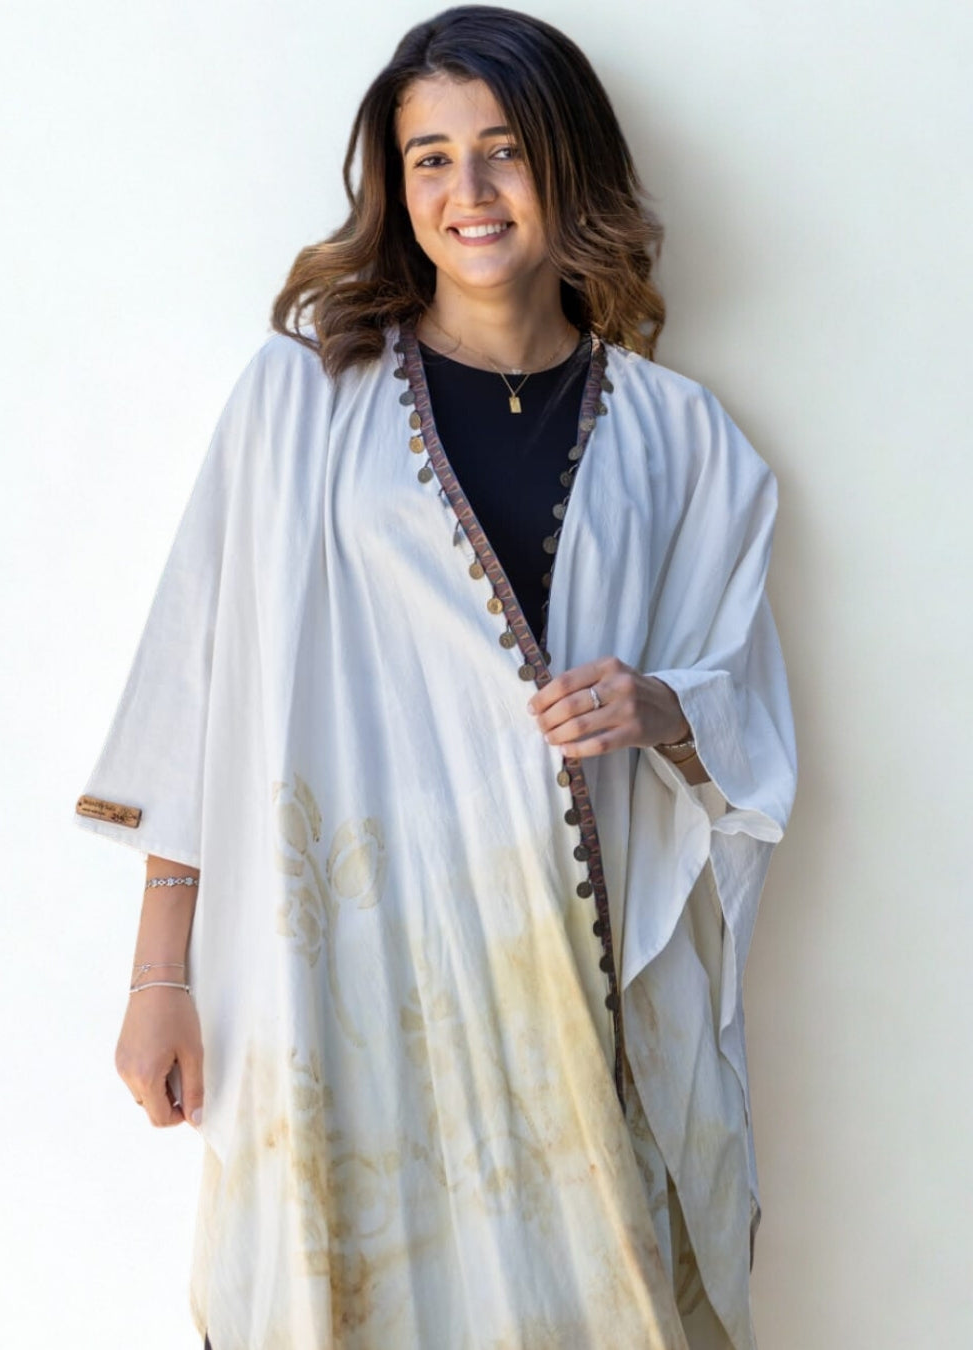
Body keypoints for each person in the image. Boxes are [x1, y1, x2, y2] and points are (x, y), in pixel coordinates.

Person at [74, 7, 796, 1348]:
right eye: (430, 160)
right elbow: (201, 680)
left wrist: (659, 705)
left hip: (567, 984)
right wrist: (159, 972)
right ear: (395, 188)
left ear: (566, 168)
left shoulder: (675, 435)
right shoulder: (302, 400)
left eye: (504, 152)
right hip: (341, 968)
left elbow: (740, 701)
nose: (468, 194)